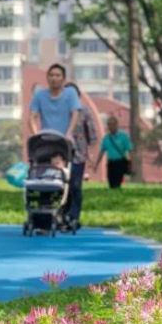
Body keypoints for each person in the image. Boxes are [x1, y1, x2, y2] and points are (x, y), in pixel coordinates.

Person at [29, 64, 82, 227]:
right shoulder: (40, 95)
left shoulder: (70, 94)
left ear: (63, 78)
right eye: (51, 75)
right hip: (45, 143)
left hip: (65, 143)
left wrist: (69, 133)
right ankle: (42, 213)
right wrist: (36, 133)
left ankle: (69, 215)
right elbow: (32, 116)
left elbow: (75, 114)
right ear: (47, 78)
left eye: (58, 75)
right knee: (44, 179)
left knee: (70, 182)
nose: (54, 78)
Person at [64, 82, 94, 228]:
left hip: (79, 154)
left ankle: (74, 216)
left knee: (75, 186)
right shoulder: (60, 111)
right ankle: (62, 214)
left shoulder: (85, 110)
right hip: (61, 155)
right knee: (63, 186)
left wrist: (90, 154)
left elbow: (92, 134)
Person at [94, 115, 133, 189]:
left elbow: (130, 150)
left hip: (120, 162)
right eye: (109, 124)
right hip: (110, 163)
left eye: (112, 124)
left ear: (117, 125)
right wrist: (96, 164)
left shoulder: (123, 136)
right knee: (111, 181)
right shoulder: (106, 138)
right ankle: (113, 193)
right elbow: (101, 152)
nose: (111, 126)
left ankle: (117, 194)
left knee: (117, 182)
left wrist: (130, 163)